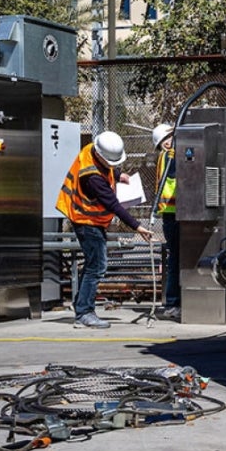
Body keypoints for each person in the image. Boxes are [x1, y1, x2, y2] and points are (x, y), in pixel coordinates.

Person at [57, 131, 154, 329]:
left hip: (90, 221)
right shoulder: (92, 178)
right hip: (86, 221)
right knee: (97, 267)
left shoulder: (91, 151)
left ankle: (81, 305)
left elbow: (106, 169)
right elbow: (114, 205)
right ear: (101, 154)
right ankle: (84, 312)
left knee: (93, 265)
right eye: (112, 163)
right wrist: (138, 226)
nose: (112, 166)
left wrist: (119, 175)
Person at [151, 122, 181, 321]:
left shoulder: (170, 155)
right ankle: (172, 303)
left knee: (177, 259)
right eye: (166, 140)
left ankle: (175, 301)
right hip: (173, 214)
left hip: (176, 213)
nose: (168, 143)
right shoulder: (169, 157)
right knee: (176, 259)